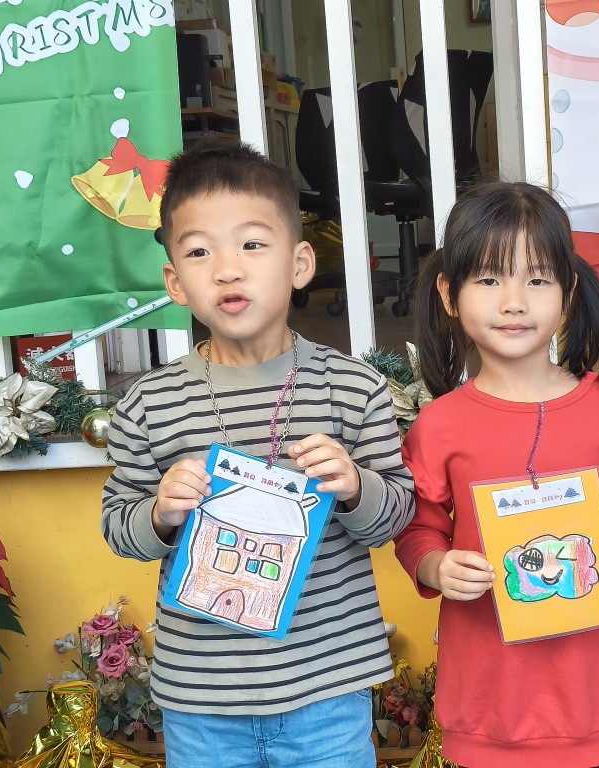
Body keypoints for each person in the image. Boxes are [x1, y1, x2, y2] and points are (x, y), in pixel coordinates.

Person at [100, 141, 414, 768]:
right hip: (201, 699)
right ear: (175, 282)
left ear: (299, 263)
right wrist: (159, 513)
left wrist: (356, 486)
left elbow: (396, 517)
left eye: (251, 244)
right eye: (199, 252)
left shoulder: (353, 389)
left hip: (327, 688)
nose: (227, 269)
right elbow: (118, 527)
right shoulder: (149, 403)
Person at [394, 181, 599, 768]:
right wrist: (435, 565)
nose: (514, 301)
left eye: (538, 280)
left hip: (596, 696)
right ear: (449, 294)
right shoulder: (439, 425)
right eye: (489, 280)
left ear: (568, 291)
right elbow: (418, 528)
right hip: (491, 700)